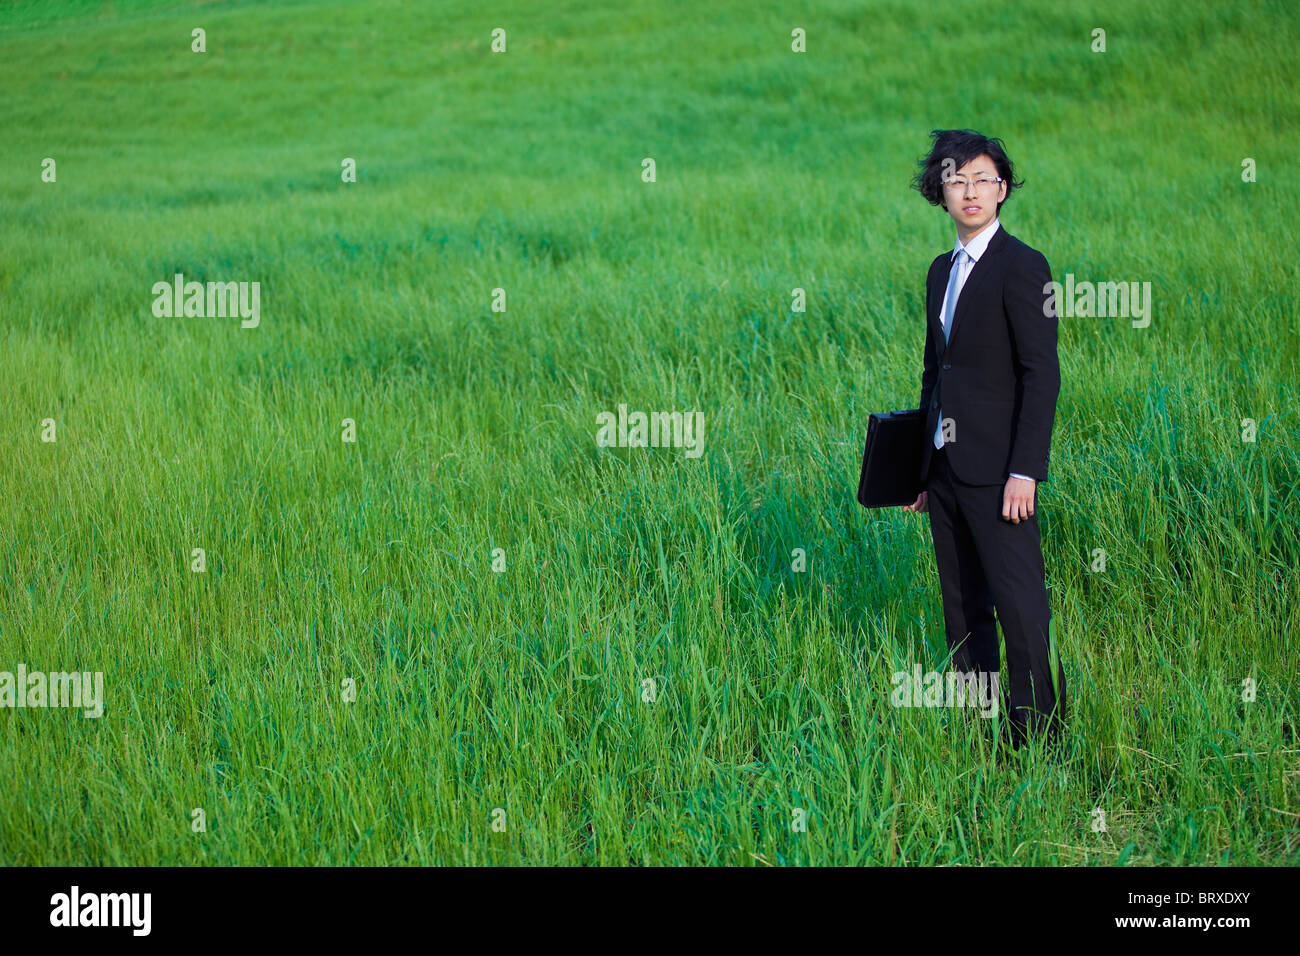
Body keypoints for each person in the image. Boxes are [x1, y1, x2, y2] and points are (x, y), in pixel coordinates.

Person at [902, 129, 1066, 751]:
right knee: (964, 604)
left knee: (1020, 606)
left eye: (981, 180)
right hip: (945, 469)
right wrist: (919, 469)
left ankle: (1038, 742)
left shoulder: (1024, 267)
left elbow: (1040, 374)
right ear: (940, 193)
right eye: (955, 180)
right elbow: (933, 373)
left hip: (1002, 473)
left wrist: (1026, 468)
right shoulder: (940, 270)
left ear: (1002, 190)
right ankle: (982, 733)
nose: (969, 192)